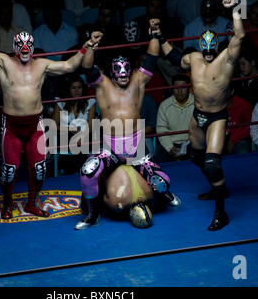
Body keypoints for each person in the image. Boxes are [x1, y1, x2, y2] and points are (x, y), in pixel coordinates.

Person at [0, 5, 103, 219]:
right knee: (8, 171)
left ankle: (31, 203)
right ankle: (8, 204)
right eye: (21, 46)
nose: (25, 50)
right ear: (15, 47)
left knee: (39, 169)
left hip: (35, 125)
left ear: (32, 46)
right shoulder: (3, 62)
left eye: (29, 46)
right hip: (11, 126)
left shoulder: (41, 65)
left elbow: (68, 66)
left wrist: (85, 47)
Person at [76, 18, 181, 230]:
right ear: (112, 71)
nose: (124, 75)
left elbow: (152, 57)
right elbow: (87, 67)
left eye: (127, 71)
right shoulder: (103, 85)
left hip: (135, 150)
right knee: (88, 171)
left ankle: (163, 194)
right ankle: (93, 215)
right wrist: (90, 45)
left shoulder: (138, 82)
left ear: (131, 70)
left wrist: (153, 33)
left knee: (163, 182)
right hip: (111, 149)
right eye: (119, 71)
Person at [161, 0, 245, 230]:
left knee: (211, 164)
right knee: (197, 159)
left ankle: (221, 213)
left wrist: (234, 11)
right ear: (200, 48)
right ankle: (219, 188)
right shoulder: (194, 59)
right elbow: (174, 57)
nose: (207, 55)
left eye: (211, 52)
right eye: (204, 51)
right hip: (197, 115)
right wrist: (158, 35)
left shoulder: (227, 59)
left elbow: (239, 37)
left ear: (216, 48)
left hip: (217, 117)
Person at [52, 74, 96, 175]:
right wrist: (70, 128)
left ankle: (77, 172)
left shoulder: (90, 102)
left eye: (79, 87)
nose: (77, 90)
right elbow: (53, 125)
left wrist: (82, 135)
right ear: (69, 89)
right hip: (66, 135)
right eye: (73, 88)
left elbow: (91, 125)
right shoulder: (61, 102)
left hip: (85, 135)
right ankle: (74, 171)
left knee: (82, 143)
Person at [155, 74, 194, 162]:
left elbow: (201, 126)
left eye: (183, 87)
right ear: (172, 88)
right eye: (176, 87)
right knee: (156, 164)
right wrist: (170, 148)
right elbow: (161, 129)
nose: (179, 91)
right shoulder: (165, 105)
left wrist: (191, 141)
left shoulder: (197, 104)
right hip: (171, 144)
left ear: (188, 88)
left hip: (192, 143)